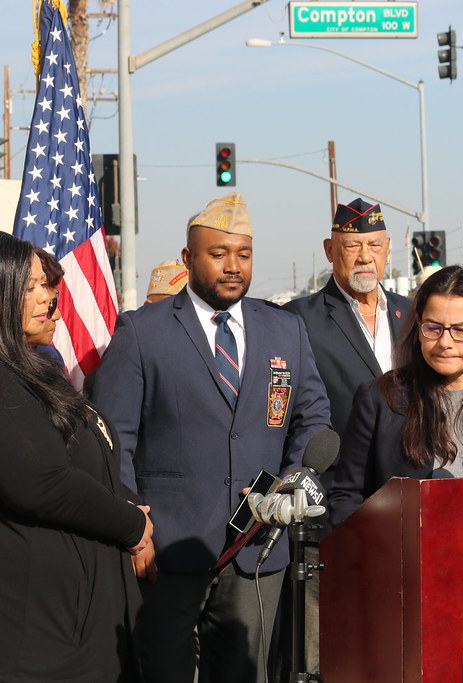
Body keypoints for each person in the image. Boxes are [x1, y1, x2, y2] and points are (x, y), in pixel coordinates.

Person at [90, 192, 332, 683]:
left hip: (257, 548)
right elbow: (114, 441)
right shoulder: (143, 332)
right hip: (167, 549)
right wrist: (132, 527)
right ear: (188, 258)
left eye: (242, 255)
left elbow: (313, 417)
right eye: (218, 254)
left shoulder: (286, 330)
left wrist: (288, 484)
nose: (232, 267)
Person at [0, 232, 154, 681]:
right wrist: (133, 526)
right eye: (31, 286)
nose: (50, 297)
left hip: (84, 622)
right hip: (42, 633)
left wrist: (128, 502)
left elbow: (94, 460)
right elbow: (42, 482)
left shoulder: (36, 374)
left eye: (48, 285)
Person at [282, 197, 412, 673]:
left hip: (411, 511)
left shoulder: (416, 316)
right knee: (331, 650)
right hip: (337, 510)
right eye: (352, 246)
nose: (364, 257)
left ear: (389, 249)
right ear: (329, 249)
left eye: (374, 246)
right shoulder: (299, 320)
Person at [329, 265, 463, 525]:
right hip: (412, 557)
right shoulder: (381, 398)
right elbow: (346, 498)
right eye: (433, 328)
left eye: (461, 330)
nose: (445, 342)